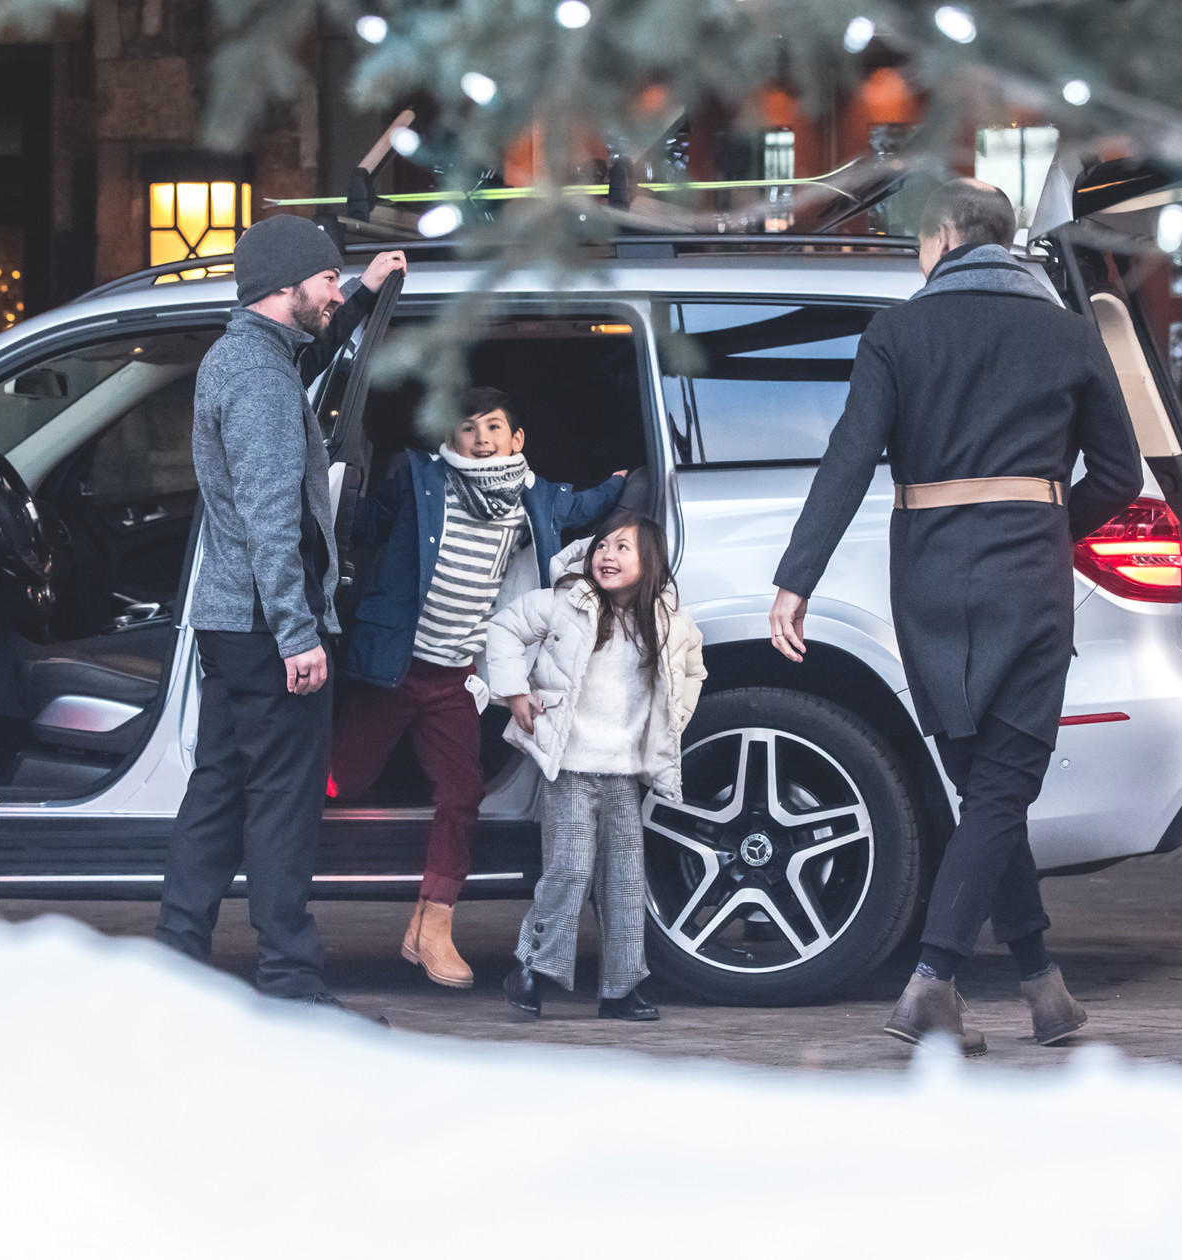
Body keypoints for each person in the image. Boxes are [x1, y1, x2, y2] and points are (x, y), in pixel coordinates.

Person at [768, 178, 1142, 1055]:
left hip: (930, 585)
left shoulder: (897, 332)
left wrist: (797, 579)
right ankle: (932, 983)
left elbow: (848, 460)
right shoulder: (1068, 333)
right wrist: (1052, 526)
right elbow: (1120, 476)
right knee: (1002, 790)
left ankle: (1043, 987)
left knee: (986, 793)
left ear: (943, 235)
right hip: (1028, 580)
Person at [154, 215, 404, 1009]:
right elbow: (271, 518)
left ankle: (173, 967)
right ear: (286, 284)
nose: (333, 291)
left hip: (233, 624)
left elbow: (313, 353)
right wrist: (299, 635)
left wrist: (363, 293)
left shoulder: (247, 357)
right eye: (327, 279)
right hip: (268, 630)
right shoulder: (260, 381)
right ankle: (291, 983)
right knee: (282, 806)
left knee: (218, 793)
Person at [331, 387, 627, 988]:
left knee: (463, 795)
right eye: (468, 428)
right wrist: (326, 490)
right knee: (343, 777)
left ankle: (432, 924)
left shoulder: (533, 497)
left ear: (517, 440)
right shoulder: (421, 480)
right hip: (397, 666)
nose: (482, 438)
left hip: (455, 677)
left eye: (494, 427)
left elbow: (583, 507)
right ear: (450, 440)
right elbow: (369, 522)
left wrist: (625, 481)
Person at [485, 513, 706, 1021]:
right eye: (602, 546)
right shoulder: (567, 603)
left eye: (623, 548)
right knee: (569, 870)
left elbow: (694, 667)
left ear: (650, 562)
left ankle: (621, 989)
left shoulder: (667, 622)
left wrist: (673, 719)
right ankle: (530, 967)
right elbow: (505, 628)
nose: (607, 555)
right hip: (569, 770)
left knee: (625, 883)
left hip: (624, 775)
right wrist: (515, 692)